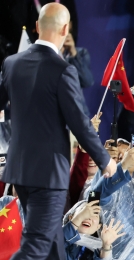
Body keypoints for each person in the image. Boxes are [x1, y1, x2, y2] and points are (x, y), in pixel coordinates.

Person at [0, 3, 117, 259]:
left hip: (19, 172)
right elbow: (79, 122)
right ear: (66, 28)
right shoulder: (63, 69)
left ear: (37, 27)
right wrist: (105, 160)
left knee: (54, 248)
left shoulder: (11, 64)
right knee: (36, 246)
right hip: (48, 175)